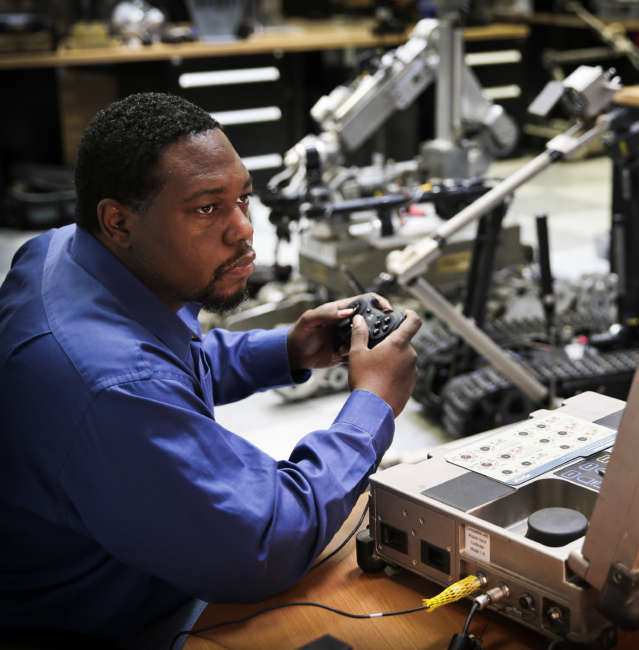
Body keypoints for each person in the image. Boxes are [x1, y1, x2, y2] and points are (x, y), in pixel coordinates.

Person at [0, 92, 421, 646]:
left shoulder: (62, 253)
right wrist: (372, 406)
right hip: (112, 622)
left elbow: (161, 362)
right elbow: (265, 544)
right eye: (206, 208)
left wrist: (286, 351)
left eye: (243, 198)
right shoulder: (112, 387)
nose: (243, 230)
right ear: (118, 221)